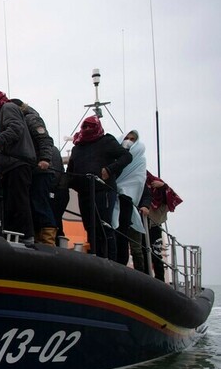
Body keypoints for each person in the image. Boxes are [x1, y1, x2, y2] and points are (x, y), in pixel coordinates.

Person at [66, 116, 132, 259]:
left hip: (103, 192)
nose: (87, 129)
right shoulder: (77, 148)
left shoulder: (107, 141)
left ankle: (110, 262)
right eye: (85, 126)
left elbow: (126, 157)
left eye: (91, 126)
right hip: (84, 193)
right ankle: (96, 259)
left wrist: (109, 169)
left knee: (104, 227)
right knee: (90, 228)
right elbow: (70, 173)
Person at [0, 91, 36, 246]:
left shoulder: (8, 108)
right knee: (11, 203)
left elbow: (16, 129)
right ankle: (14, 235)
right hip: (8, 165)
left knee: (19, 201)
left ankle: (26, 236)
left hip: (17, 161)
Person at [10, 98, 58, 245]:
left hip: (41, 170)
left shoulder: (31, 119)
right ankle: (39, 238)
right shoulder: (21, 121)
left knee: (40, 204)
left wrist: (45, 159)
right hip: (31, 170)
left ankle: (48, 241)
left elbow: (44, 139)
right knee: (33, 205)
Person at [135, 171, 182, 280]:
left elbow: (173, 197)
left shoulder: (157, 183)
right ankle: (145, 278)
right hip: (140, 224)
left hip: (155, 225)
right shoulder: (137, 183)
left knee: (156, 254)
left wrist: (163, 186)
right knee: (143, 252)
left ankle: (159, 280)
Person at [112, 130, 147, 265]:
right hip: (112, 195)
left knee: (123, 233)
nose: (128, 141)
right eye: (127, 138)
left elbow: (139, 181)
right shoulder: (114, 157)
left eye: (132, 139)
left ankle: (122, 262)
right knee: (112, 231)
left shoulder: (140, 161)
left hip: (127, 199)